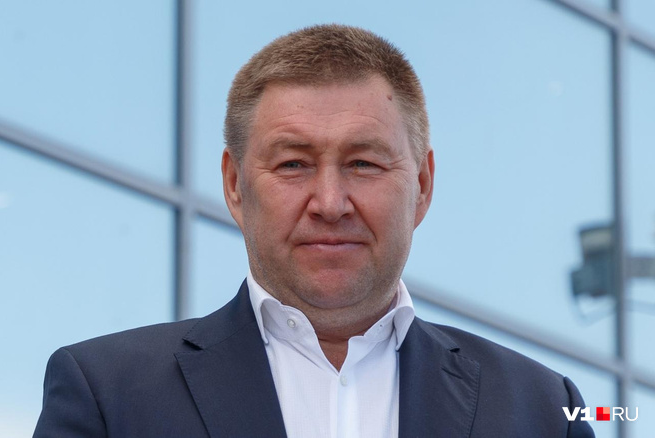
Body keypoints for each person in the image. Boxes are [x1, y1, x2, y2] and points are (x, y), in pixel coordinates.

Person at [34, 24, 594, 438]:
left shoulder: (543, 412)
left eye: (364, 163)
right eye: (293, 164)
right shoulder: (107, 395)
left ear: (422, 185)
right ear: (234, 185)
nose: (330, 203)